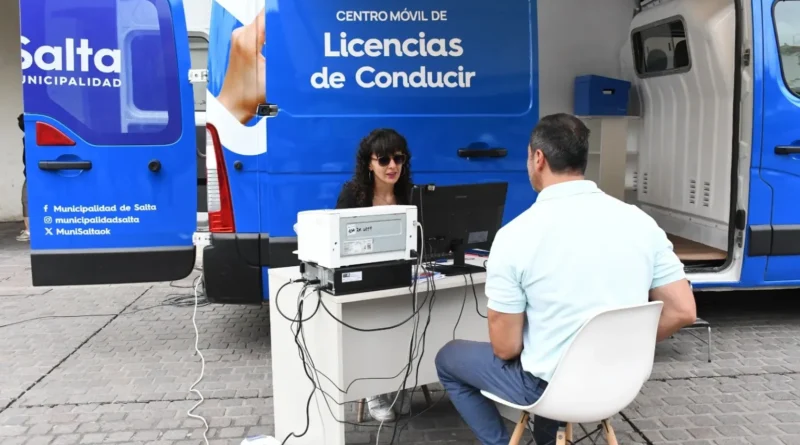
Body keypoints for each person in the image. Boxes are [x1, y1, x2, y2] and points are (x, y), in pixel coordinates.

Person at [434, 113, 697, 445]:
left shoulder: (516, 235)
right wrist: (619, 347)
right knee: (548, 357)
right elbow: (683, 310)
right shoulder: (641, 222)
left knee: (449, 358)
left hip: (550, 390)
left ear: (538, 158)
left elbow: (506, 348)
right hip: (619, 383)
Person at [335, 128, 415, 422]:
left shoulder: (409, 194)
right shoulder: (353, 194)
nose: (392, 166)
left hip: (402, 277)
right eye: (383, 160)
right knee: (372, 319)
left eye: (398, 159)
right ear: (369, 163)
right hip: (364, 280)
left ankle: (400, 380)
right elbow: (338, 241)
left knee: (416, 316)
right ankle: (373, 389)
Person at [17, 113, 29, 242]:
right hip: (33, 173)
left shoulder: (28, 138)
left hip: (31, 174)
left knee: (26, 200)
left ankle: (29, 231)